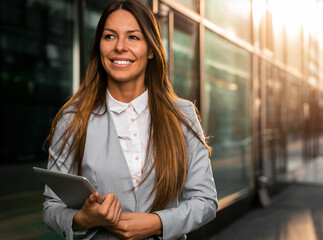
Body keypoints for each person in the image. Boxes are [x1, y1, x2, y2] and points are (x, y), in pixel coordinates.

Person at [42, 0, 218, 239]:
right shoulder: (74, 118)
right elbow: (51, 209)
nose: (120, 47)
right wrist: (84, 218)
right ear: (100, 46)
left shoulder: (182, 115)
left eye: (133, 37)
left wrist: (157, 223)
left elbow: (205, 202)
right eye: (110, 36)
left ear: (152, 49)